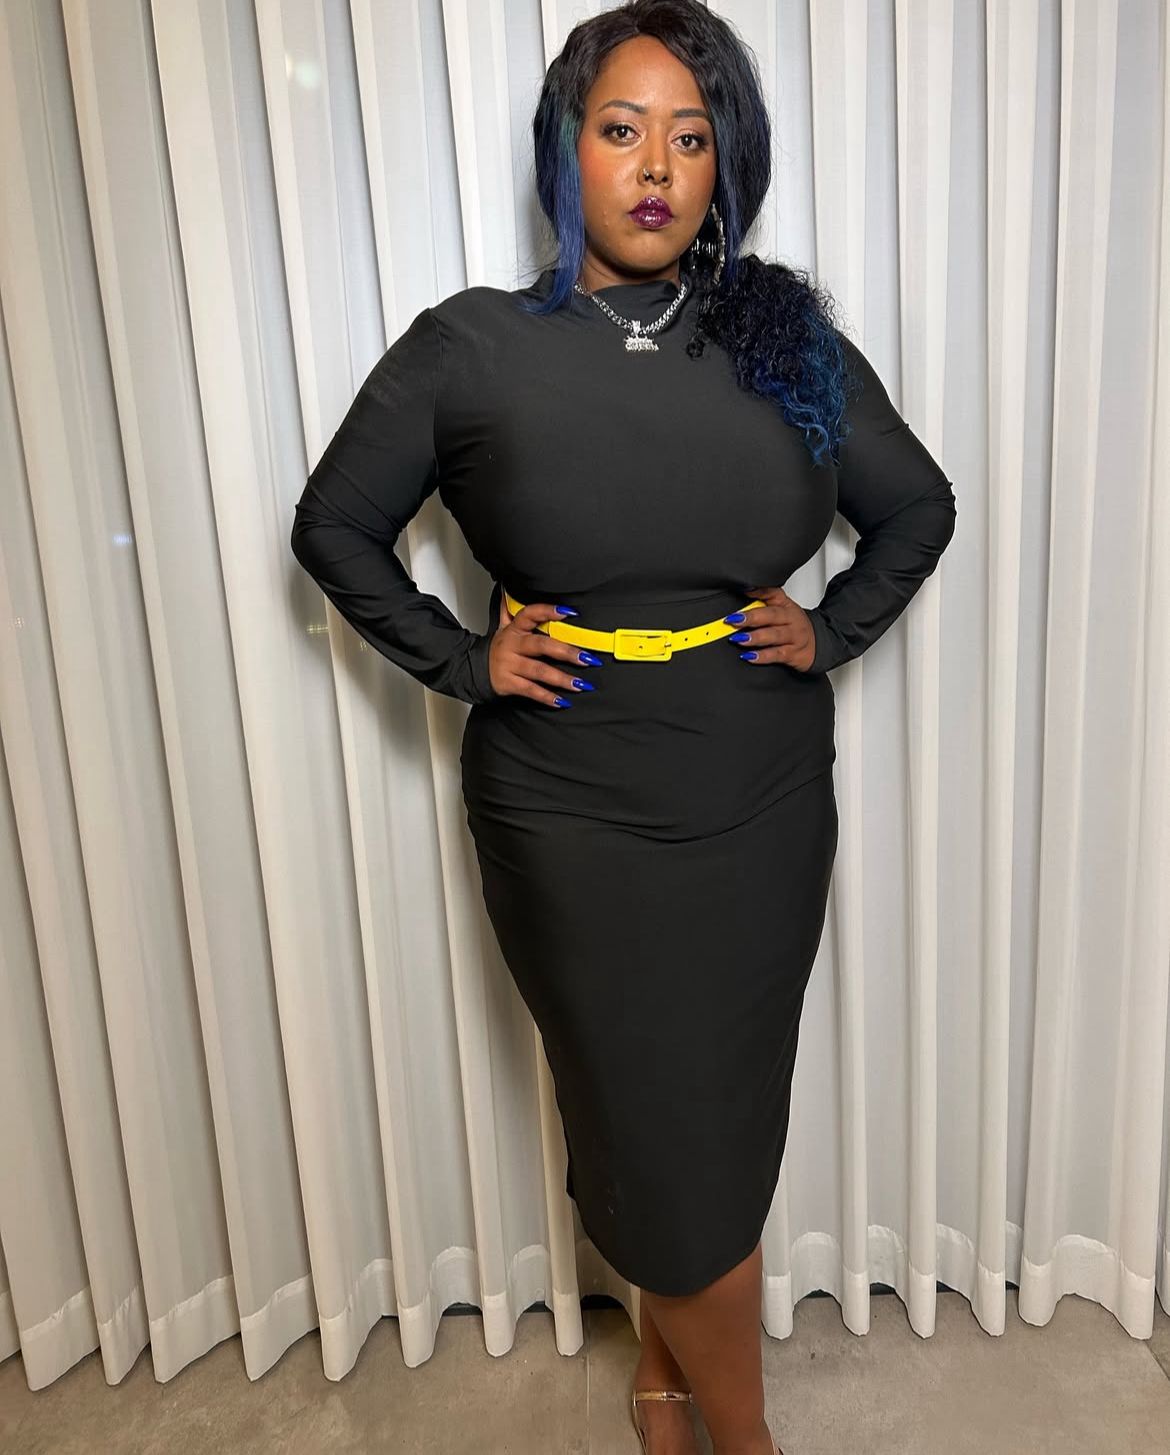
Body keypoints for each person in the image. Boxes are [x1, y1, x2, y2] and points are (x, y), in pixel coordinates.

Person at [290, 3, 957, 1450]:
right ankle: (746, 1439)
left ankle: (667, 1373)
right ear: (566, 151)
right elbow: (334, 527)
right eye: (620, 128)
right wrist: (463, 661)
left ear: (725, 166)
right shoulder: (470, 348)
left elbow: (916, 507)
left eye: (691, 136)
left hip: (757, 796)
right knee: (643, 1114)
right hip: (566, 811)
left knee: (708, 1119)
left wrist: (833, 628)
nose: (655, 165)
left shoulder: (782, 340)